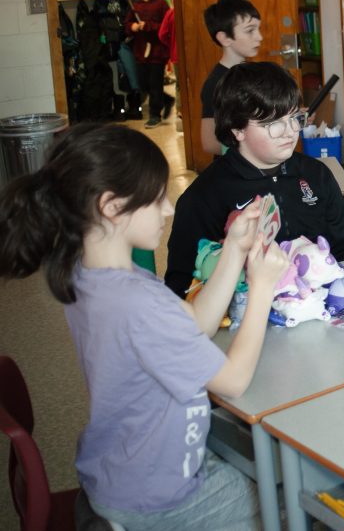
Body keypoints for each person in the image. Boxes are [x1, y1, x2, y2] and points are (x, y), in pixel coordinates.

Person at [0, 123, 289, 529]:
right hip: (158, 495)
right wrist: (261, 290)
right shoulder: (139, 301)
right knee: (292, 499)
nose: (168, 209)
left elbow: (195, 325)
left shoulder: (88, 274)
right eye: (156, 200)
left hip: (121, 471)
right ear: (111, 206)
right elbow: (234, 380)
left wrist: (234, 251)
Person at [166, 61, 344, 298]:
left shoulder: (315, 174)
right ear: (237, 130)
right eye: (273, 123)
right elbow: (183, 284)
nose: (291, 131)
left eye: (294, 118)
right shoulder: (205, 195)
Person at [199, 0, 263, 155]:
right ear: (225, 38)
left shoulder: (252, 73)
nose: (260, 37)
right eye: (250, 31)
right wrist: (252, 150)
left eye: (258, 29)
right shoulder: (216, 83)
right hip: (236, 172)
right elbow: (209, 143)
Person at [127, 0, 173, 129]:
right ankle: (166, 100)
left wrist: (148, 26)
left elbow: (167, 26)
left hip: (157, 51)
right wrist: (132, 26)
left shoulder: (161, 4)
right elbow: (127, 25)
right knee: (143, 84)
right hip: (140, 51)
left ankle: (155, 115)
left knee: (155, 84)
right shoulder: (135, 6)